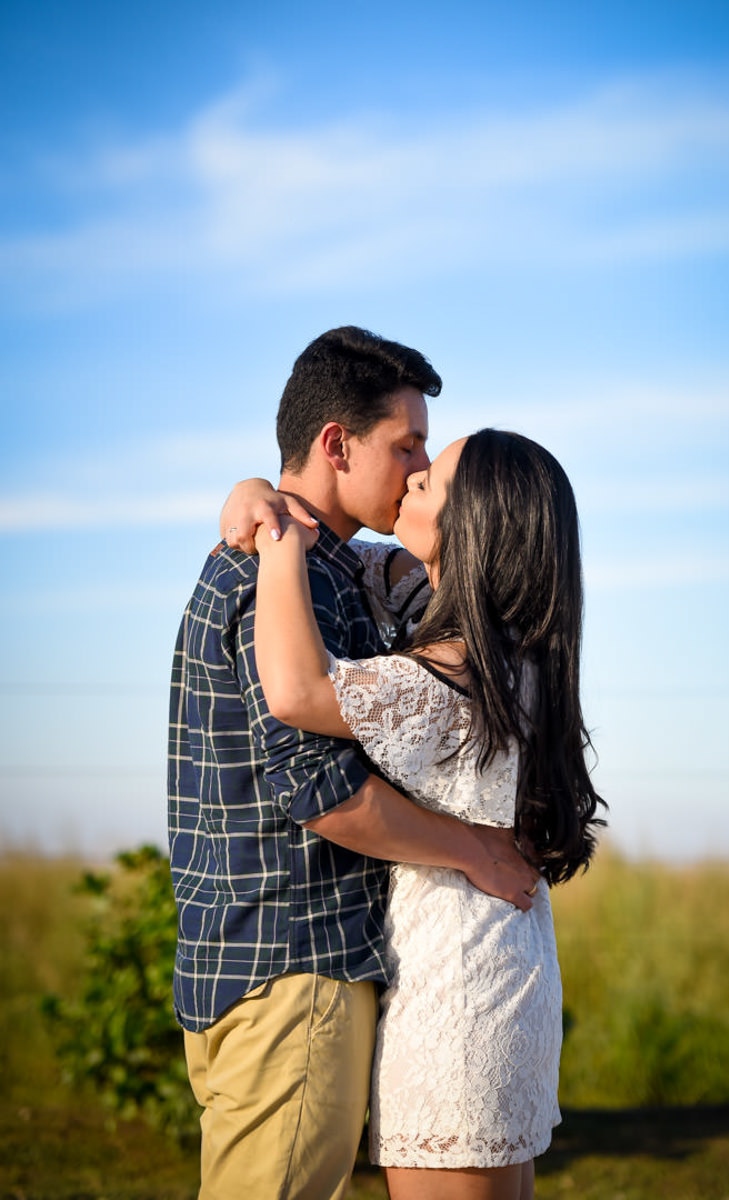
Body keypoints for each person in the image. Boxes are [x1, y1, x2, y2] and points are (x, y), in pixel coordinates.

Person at [168, 328, 538, 1200]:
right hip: (297, 962)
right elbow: (318, 787)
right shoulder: (290, 578)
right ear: (336, 444)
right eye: (406, 445)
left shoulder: (332, 572)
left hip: (273, 960)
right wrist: (471, 849)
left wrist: (255, 492)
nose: (417, 469)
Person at [251, 428, 607, 1200]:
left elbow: (297, 691)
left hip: (455, 996)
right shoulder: (514, 656)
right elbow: (364, 563)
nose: (410, 480)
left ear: (470, 525)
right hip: (504, 972)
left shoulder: (450, 672)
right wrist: (255, 495)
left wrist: (275, 544)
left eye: (430, 481)